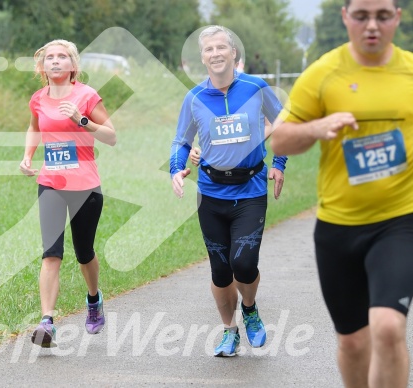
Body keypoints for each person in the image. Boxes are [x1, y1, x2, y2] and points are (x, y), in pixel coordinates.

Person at [270, 0, 413, 386]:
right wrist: (318, 128)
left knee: (387, 327)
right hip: (339, 227)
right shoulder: (324, 73)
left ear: (397, 18)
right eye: (362, 16)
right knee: (352, 342)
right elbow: (280, 140)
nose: (372, 26)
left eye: (382, 16)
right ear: (345, 17)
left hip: (400, 222)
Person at [170, 25, 287, 357]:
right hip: (210, 192)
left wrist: (279, 163)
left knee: (244, 264)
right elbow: (181, 140)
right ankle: (229, 331)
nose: (216, 53)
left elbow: (282, 125)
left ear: (234, 53)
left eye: (222, 47)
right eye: (209, 49)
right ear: (202, 58)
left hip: (250, 190)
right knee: (221, 271)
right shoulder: (194, 98)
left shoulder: (256, 87)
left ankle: (249, 309)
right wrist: (176, 167)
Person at [19, 39, 116, 348]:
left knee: (84, 251)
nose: (56, 61)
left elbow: (111, 136)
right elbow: (34, 127)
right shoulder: (38, 99)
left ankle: (93, 299)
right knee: (51, 253)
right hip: (51, 183)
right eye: (50, 57)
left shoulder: (86, 96)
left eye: (63, 57)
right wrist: (27, 155)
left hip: (85, 184)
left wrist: (81, 119)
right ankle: (47, 321)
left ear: (73, 65)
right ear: (42, 65)